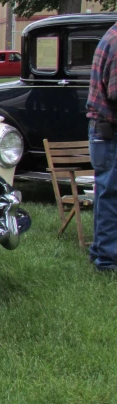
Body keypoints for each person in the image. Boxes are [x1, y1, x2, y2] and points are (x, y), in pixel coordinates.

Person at [86, 20, 117, 273]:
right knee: (111, 195)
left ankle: (100, 250)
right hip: (109, 130)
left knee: (105, 192)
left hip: (102, 129)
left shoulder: (111, 35)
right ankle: (108, 260)